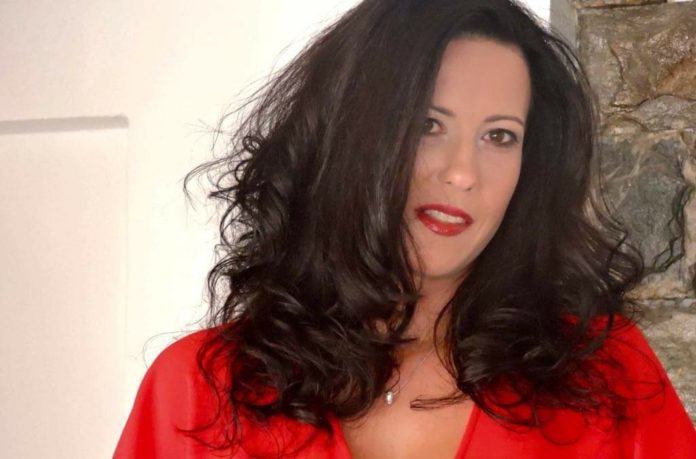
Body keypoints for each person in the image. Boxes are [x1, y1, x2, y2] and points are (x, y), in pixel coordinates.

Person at [114, 0, 696, 457]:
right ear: (348, 136)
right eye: (427, 125)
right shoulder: (197, 390)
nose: (462, 172)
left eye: (499, 136)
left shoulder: (606, 377)